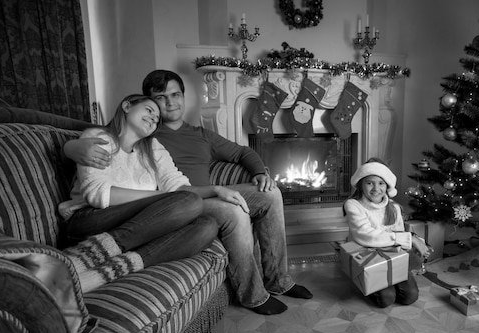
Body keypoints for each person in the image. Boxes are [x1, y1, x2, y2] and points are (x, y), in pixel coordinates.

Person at [63, 70, 312, 315]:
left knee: (268, 195)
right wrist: (70, 147)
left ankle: (278, 280)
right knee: (224, 210)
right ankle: (253, 295)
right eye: (158, 99)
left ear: (184, 96)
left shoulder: (175, 140)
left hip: (182, 199)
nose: (168, 103)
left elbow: (236, 155)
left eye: (175, 94)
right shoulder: (132, 135)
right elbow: (93, 152)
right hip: (165, 206)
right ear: (132, 104)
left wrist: (258, 174)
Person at [58, 94, 218, 293]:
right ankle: (88, 255)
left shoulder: (153, 147)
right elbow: (97, 195)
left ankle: (115, 268)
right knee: (190, 202)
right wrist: (160, 198)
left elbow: (177, 187)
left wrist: (215, 189)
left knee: (207, 225)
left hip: (134, 224)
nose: (153, 118)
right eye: (149, 110)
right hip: (88, 219)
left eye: (157, 119)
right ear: (126, 106)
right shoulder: (98, 137)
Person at [343, 158, 431, 308]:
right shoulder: (353, 205)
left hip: (390, 255)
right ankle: (362, 281)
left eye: (381, 183)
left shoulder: (394, 208)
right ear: (361, 185)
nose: (376, 188)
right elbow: (367, 235)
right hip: (367, 257)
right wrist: (409, 238)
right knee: (387, 299)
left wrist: (415, 243)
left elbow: (399, 235)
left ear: (387, 186)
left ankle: (392, 279)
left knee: (410, 296)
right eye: (370, 183)